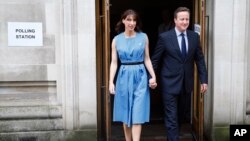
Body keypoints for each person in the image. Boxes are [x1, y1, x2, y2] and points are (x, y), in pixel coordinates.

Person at [151, 7, 208, 141]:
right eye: (182, 19)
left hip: (186, 84)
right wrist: (152, 78)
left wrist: (203, 80)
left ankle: (173, 137)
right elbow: (155, 60)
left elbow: (199, 59)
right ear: (175, 20)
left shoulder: (194, 37)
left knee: (180, 116)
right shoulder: (165, 37)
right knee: (171, 117)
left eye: (187, 19)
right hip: (169, 83)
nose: (185, 22)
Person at [109, 9, 157, 141]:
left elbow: (147, 58)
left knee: (138, 112)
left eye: (134, 20)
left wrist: (153, 76)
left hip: (140, 76)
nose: (132, 23)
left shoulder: (143, 36)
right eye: (129, 20)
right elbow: (114, 63)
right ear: (123, 20)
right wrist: (110, 82)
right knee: (125, 113)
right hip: (123, 76)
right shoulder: (116, 40)